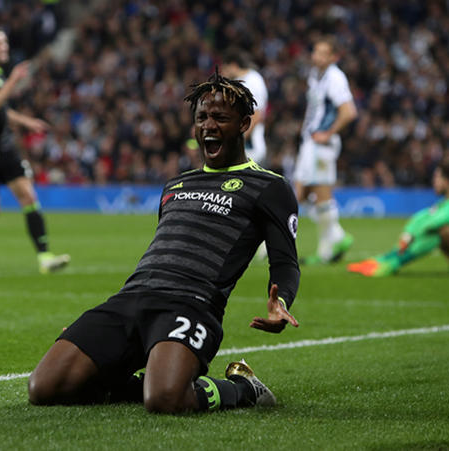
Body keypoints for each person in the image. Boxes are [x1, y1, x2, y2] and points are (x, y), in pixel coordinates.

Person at [28, 71, 301, 414]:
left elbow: (286, 263)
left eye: (220, 118)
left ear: (244, 124)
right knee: (44, 387)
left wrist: (282, 301)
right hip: (131, 299)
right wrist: (90, 330)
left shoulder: (269, 187)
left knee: (165, 399)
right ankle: (129, 375)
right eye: (202, 117)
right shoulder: (176, 185)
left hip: (191, 305)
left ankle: (241, 388)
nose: (208, 126)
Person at [0, 25, 70, 274]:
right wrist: (14, 82)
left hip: (4, 147)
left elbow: (2, 109)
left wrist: (26, 121)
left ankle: (45, 257)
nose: (4, 47)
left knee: (28, 195)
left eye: (5, 43)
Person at [347, 160, 449, 277]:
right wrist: (408, 234)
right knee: (438, 229)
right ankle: (384, 260)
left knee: (442, 231)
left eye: (437, 178)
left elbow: (432, 222)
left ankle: (391, 263)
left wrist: (409, 237)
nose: (434, 182)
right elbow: (423, 216)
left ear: (447, 181)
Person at [294, 37, 358, 265]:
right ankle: (336, 238)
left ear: (333, 57)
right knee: (304, 192)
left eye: (323, 53)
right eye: (315, 52)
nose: (317, 57)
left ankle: (327, 249)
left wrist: (328, 133)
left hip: (321, 144)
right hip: (310, 142)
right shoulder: (315, 75)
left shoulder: (335, 77)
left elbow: (349, 111)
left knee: (318, 193)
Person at [221, 48, 268, 166]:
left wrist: (238, 140)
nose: (223, 72)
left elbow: (257, 115)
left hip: (251, 147)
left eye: (224, 68)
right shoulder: (238, 83)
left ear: (233, 65)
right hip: (242, 147)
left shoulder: (253, 80)